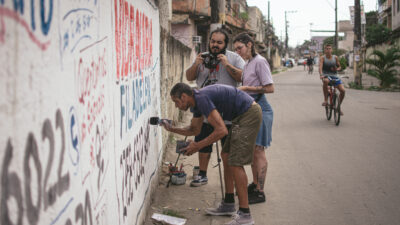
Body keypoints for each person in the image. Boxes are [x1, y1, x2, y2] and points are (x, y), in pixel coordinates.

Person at [162, 83, 261, 225]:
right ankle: (228, 203)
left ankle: (245, 215)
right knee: (226, 156)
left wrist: (197, 145)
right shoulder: (196, 102)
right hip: (241, 116)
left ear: (184, 97)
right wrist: (172, 129)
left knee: (235, 162)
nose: (177, 106)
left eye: (176, 102)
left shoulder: (201, 98)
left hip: (249, 114)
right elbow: (194, 130)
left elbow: (221, 131)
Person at [186, 28, 245, 187]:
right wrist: (196, 65)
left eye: (219, 42)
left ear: (226, 44)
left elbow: (242, 77)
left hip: (227, 110)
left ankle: (230, 181)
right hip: (205, 108)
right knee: (202, 139)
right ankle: (202, 174)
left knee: (227, 146)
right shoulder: (202, 57)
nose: (215, 45)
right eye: (213, 41)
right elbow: (189, 77)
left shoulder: (234, 58)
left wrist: (226, 64)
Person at [233, 33, 274, 204]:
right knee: (252, 150)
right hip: (250, 110)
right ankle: (255, 184)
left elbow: (270, 88)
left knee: (258, 150)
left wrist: (246, 88)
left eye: (239, 48)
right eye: (235, 49)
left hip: (261, 109)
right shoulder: (248, 63)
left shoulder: (260, 61)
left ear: (249, 45)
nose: (238, 52)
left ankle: (260, 191)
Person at [319, 44, 345, 115]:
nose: (328, 50)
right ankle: (326, 100)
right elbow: (320, 67)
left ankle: (338, 108)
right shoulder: (322, 58)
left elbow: (339, 66)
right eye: (327, 49)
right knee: (325, 81)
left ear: (332, 50)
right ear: (325, 50)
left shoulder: (335, 57)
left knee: (343, 91)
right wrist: (321, 75)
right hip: (326, 76)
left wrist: (337, 69)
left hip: (335, 76)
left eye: (330, 48)